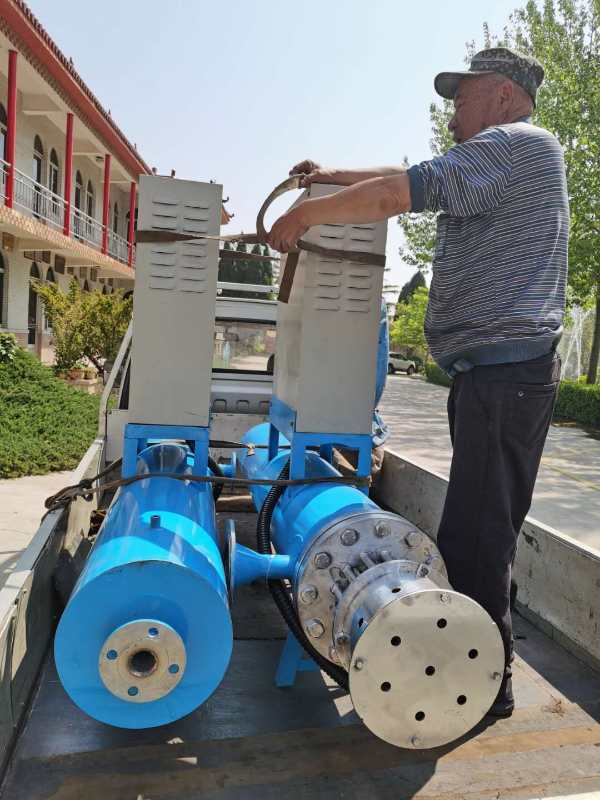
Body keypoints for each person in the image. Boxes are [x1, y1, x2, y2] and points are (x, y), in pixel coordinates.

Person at [267, 47, 568, 718]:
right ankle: (483, 668)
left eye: (461, 98)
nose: (453, 114)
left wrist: (307, 215)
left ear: (500, 94)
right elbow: (403, 177)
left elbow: (396, 194)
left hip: (505, 378)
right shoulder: (507, 154)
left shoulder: (512, 146)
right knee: (482, 528)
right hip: (499, 378)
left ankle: (485, 685)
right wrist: (329, 176)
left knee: (477, 537)